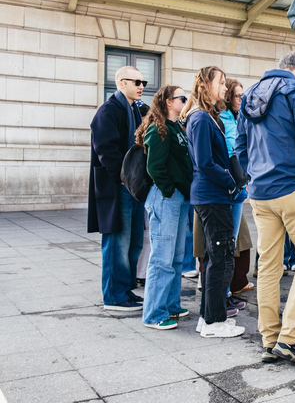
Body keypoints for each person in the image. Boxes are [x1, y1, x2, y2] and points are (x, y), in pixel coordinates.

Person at [236, 52, 295, 364]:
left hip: (260, 192)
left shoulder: (249, 94)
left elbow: (240, 146)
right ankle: (289, 338)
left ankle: (269, 338)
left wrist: (252, 177)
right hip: (294, 186)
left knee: (269, 266)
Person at [182, 66, 245, 339]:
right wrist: (231, 182)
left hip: (212, 195)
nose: (224, 87)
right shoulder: (201, 119)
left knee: (214, 258)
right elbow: (206, 163)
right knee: (220, 259)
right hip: (212, 195)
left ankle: (208, 318)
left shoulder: (208, 117)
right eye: (220, 83)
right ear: (207, 85)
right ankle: (214, 322)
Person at [88, 66, 146, 312]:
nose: (142, 85)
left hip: (131, 187)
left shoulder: (135, 108)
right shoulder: (109, 110)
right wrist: (123, 178)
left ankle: (125, 289)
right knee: (116, 243)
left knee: (133, 241)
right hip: (117, 187)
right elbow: (105, 149)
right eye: (137, 81)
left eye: (143, 81)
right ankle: (114, 295)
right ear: (122, 83)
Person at [136, 85, 193, 330]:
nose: (185, 100)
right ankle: (154, 313)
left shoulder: (176, 127)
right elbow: (155, 167)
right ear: (169, 102)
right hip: (164, 198)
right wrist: (169, 190)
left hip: (178, 198)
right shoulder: (158, 129)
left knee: (177, 257)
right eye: (182, 97)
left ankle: (171, 305)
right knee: (161, 258)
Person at [220, 79, 254, 296]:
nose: (241, 100)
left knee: (232, 240)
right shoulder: (223, 118)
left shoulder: (240, 117)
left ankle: (230, 287)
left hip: (240, 183)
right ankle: (223, 292)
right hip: (228, 184)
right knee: (226, 241)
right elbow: (232, 148)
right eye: (237, 96)